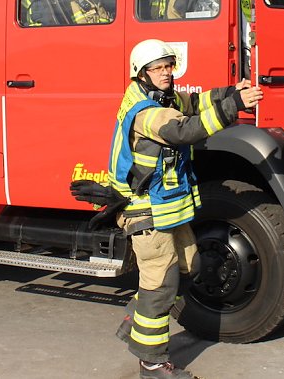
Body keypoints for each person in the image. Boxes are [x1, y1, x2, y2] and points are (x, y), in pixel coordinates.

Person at [109, 39, 262, 378]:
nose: (165, 73)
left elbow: (194, 102)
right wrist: (234, 105)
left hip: (168, 209)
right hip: (147, 212)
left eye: (168, 66)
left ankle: (136, 319)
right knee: (160, 285)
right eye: (157, 68)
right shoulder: (147, 111)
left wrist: (228, 91)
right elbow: (184, 130)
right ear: (141, 73)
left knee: (190, 266)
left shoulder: (164, 96)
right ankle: (153, 364)